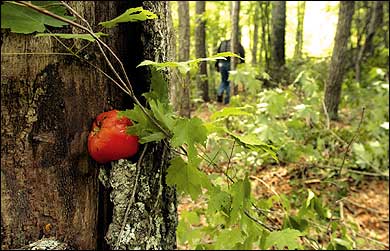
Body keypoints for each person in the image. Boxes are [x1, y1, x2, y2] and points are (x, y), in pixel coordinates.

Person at [215, 39, 245, 104]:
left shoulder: (223, 43)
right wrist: (242, 62)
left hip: (221, 63)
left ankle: (220, 93)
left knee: (223, 81)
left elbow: (217, 54)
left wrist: (217, 65)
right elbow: (242, 53)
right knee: (229, 81)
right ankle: (227, 100)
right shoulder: (236, 43)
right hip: (230, 63)